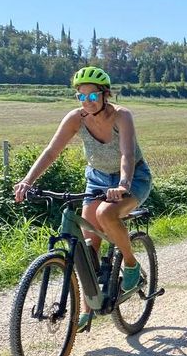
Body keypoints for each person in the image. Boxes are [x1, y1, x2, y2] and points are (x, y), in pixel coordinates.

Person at [13, 66, 152, 332]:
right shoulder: (76, 119)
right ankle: (88, 308)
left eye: (92, 96)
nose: (86, 102)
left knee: (105, 215)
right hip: (97, 179)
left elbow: (126, 155)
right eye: (81, 97)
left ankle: (131, 267)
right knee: (88, 246)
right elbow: (52, 151)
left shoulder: (122, 116)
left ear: (105, 94)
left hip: (133, 178)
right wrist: (27, 181)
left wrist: (123, 183)